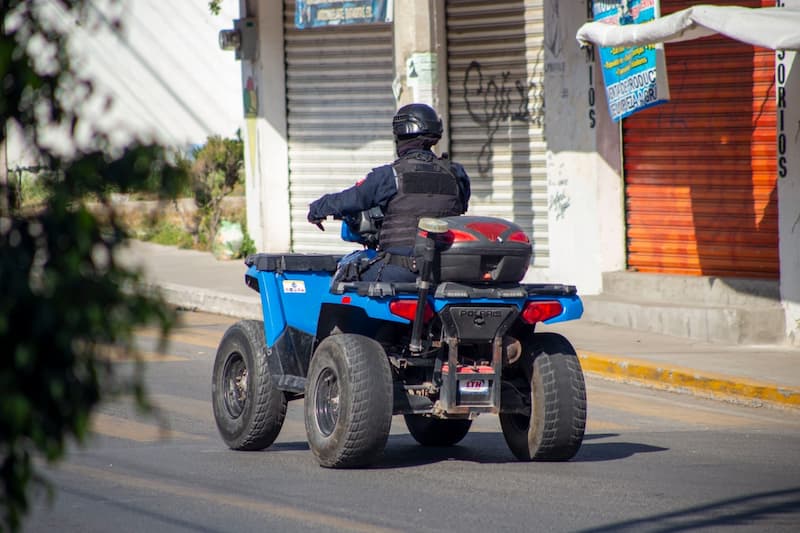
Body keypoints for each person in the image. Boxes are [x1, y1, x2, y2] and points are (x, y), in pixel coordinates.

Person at [307, 103, 471, 281]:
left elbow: (351, 199)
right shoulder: (456, 173)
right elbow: (461, 207)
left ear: (399, 136)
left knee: (345, 276)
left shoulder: (390, 175)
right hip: (446, 270)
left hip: (401, 270)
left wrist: (318, 208)